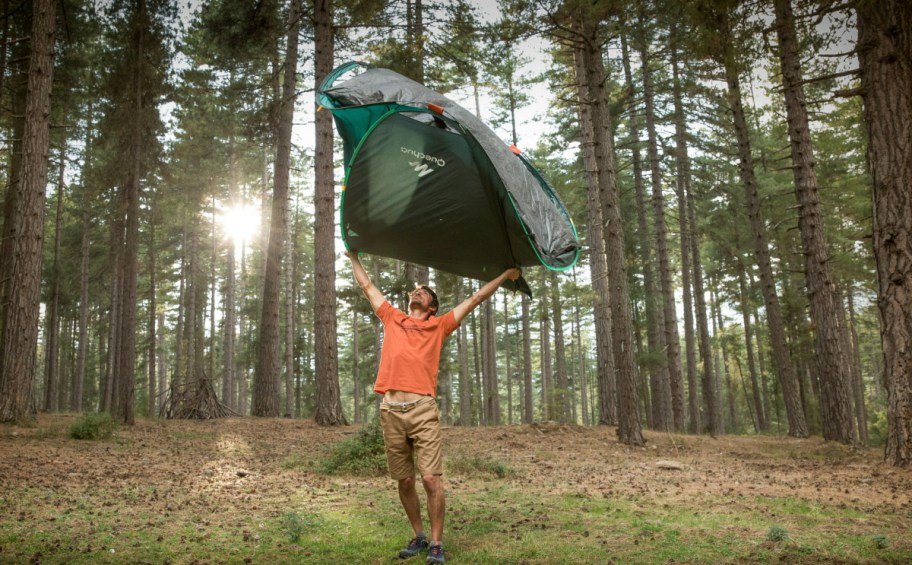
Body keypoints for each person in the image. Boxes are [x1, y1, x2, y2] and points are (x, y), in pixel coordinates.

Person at [346, 250, 520, 564]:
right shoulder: (392, 317)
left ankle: (437, 543)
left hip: (422, 409)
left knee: (430, 479)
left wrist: (506, 274)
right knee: (404, 480)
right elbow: (367, 287)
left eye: (425, 293)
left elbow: (476, 298)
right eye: (415, 291)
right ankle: (418, 536)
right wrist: (353, 257)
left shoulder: (439, 326)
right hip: (390, 411)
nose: (418, 292)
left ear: (433, 306)